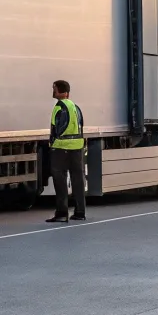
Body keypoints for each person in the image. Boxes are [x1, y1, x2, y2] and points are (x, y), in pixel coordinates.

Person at [45, 80, 87, 223]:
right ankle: (80, 212)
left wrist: (52, 143)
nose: (53, 91)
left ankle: (62, 213)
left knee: (60, 180)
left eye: (54, 89)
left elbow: (55, 128)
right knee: (78, 180)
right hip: (77, 147)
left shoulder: (59, 107)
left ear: (60, 91)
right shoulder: (75, 107)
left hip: (61, 147)